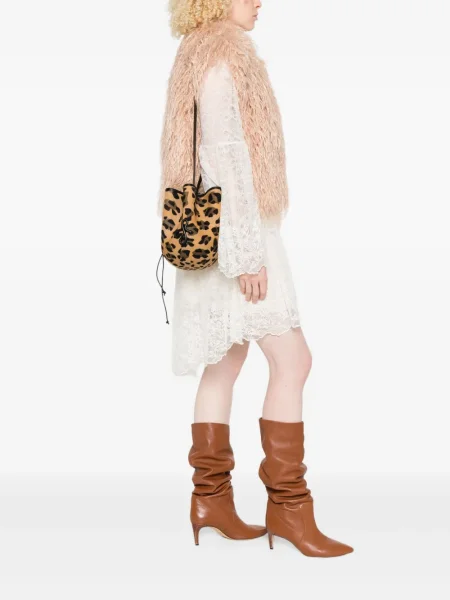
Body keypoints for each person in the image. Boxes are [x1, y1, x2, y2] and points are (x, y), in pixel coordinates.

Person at [157, 0, 354, 557]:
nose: (259, 1)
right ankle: (289, 510)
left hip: (214, 236)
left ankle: (210, 501)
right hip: (238, 240)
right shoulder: (225, 57)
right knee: (294, 362)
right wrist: (247, 256)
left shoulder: (196, 53)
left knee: (224, 366)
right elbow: (225, 158)